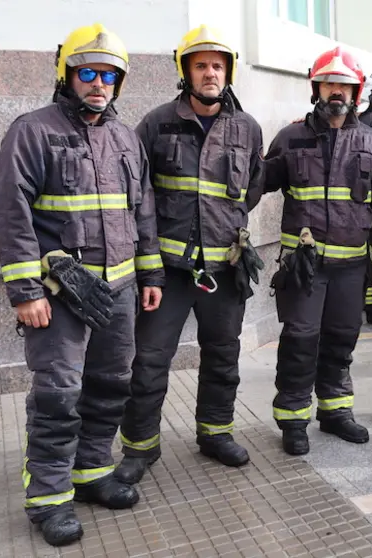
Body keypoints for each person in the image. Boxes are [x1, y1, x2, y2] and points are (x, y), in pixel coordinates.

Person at [0, 23, 164, 547]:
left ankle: (90, 471)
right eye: (88, 72)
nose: (99, 83)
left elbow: (144, 211)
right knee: (57, 394)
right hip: (60, 295)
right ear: (66, 74)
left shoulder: (125, 138)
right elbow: (10, 212)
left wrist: (150, 273)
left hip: (120, 291)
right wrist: (26, 290)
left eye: (109, 74)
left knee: (111, 385)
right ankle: (48, 497)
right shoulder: (32, 131)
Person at [115, 25, 266, 485]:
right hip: (169, 272)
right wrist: (148, 265)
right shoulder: (157, 123)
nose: (210, 73)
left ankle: (216, 434)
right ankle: (140, 447)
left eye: (217, 65)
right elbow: (137, 195)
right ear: (185, 71)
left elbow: (252, 189)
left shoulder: (247, 128)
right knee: (149, 360)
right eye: (200, 65)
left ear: (228, 72)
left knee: (223, 355)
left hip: (225, 269)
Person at [265, 46, 372, 455]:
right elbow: (254, 185)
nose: (336, 92)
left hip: (350, 266)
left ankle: (336, 411)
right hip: (302, 266)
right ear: (316, 88)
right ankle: (292, 418)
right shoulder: (289, 138)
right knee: (300, 339)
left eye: (345, 85)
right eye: (329, 84)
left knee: (342, 339)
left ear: (356, 91)